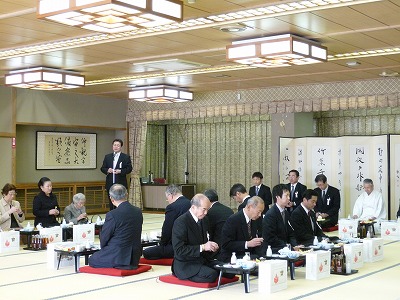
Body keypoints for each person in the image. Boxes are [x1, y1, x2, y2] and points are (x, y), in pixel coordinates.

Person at [89, 184, 143, 269]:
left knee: (92, 259)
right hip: (135, 256)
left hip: (118, 255)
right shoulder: (138, 211)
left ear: (111, 198)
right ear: (127, 194)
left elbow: (105, 237)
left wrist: (105, 249)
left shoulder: (112, 214)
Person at [171, 194, 219, 283]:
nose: (206, 213)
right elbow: (179, 250)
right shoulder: (181, 222)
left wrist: (211, 246)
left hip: (201, 260)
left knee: (226, 270)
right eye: (204, 209)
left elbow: (205, 241)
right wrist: (203, 247)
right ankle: (184, 276)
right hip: (186, 263)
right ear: (193, 207)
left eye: (208, 210)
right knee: (212, 275)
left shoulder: (204, 220)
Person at [143, 184, 190, 260]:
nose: (168, 201)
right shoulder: (191, 203)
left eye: (167, 198)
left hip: (177, 245)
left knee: (147, 252)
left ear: (170, 195)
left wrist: (162, 244)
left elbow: (167, 229)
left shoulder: (172, 207)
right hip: (192, 244)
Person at [219, 196, 264, 262]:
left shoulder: (254, 219)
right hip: (233, 256)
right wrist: (247, 244)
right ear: (249, 207)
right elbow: (226, 244)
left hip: (248, 255)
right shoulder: (233, 220)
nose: (260, 215)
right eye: (258, 212)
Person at [262, 184, 299, 253]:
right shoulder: (271, 214)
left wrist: (294, 245)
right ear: (278, 197)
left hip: (285, 248)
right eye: (286, 195)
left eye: (289, 195)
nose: (289, 198)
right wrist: (287, 246)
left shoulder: (286, 213)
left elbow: (290, 233)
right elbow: (271, 237)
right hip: (274, 250)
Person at [100, 139, 133, 210]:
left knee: (121, 202)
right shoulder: (108, 157)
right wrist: (108, 170)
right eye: (114, 145)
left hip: (120, 183)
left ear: (121, 147)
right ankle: (112, 216)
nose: (116, 147)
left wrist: (120, 171)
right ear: (112, 146)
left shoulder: (125, 157)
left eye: (118, 145)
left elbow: (129, 169)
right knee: (111, 201)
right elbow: (102, 168)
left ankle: (121, 215)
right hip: (110, 183)